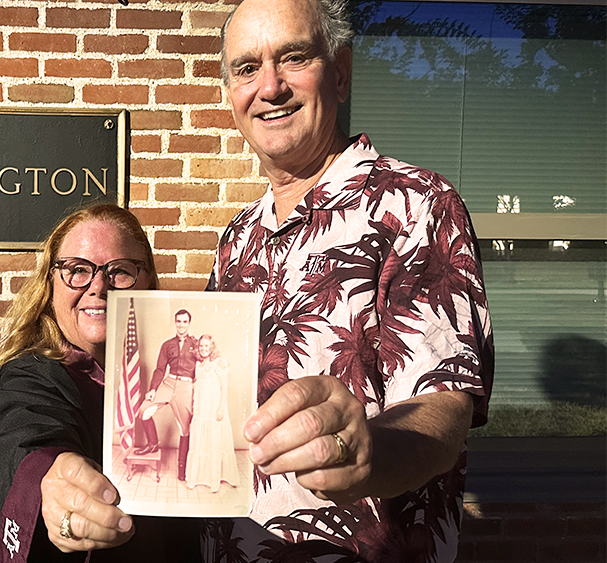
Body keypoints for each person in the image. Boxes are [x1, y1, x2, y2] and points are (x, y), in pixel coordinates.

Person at [203, 0, 495, 561]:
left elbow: (445, 406)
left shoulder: (415, 207)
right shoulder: (236, 239)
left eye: (293, 58)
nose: (270, 87)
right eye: (246, 68)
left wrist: (371, 453)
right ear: (229, 95)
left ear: (340, 72)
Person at [0, 204, 200, 563]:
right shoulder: (28, 379)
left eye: (120, 271)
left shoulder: (149, 374)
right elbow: (19, 431)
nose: (98, 286)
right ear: (50, 283)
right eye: (77, 270)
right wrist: (46, 477)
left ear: (147, 282)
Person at [133, 309, 197, 481]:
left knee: (185, 429)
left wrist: (197, 391)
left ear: (189, 323)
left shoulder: (197, 344)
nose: (181, 325)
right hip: (169, 382)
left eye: (185, 322)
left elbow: (202, 368)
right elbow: (160, 369)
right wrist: (153, 388)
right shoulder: (167, 344)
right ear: (175, 323)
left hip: (185, 386)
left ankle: (182, 470)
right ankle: (152, 444)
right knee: (143, 411)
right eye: (178, 321)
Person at [185, 334, 240, 493]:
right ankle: (197, 477)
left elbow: (224, 388)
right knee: (200, 442)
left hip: (214, 408)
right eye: (201, 346)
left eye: (206, 346)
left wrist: (221, 407)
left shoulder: (219, 363)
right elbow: (198, 385)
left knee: (215, 442)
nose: (203, 349)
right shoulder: (197, 365)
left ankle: (215, 480)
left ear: (212, 347)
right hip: (201, 409)